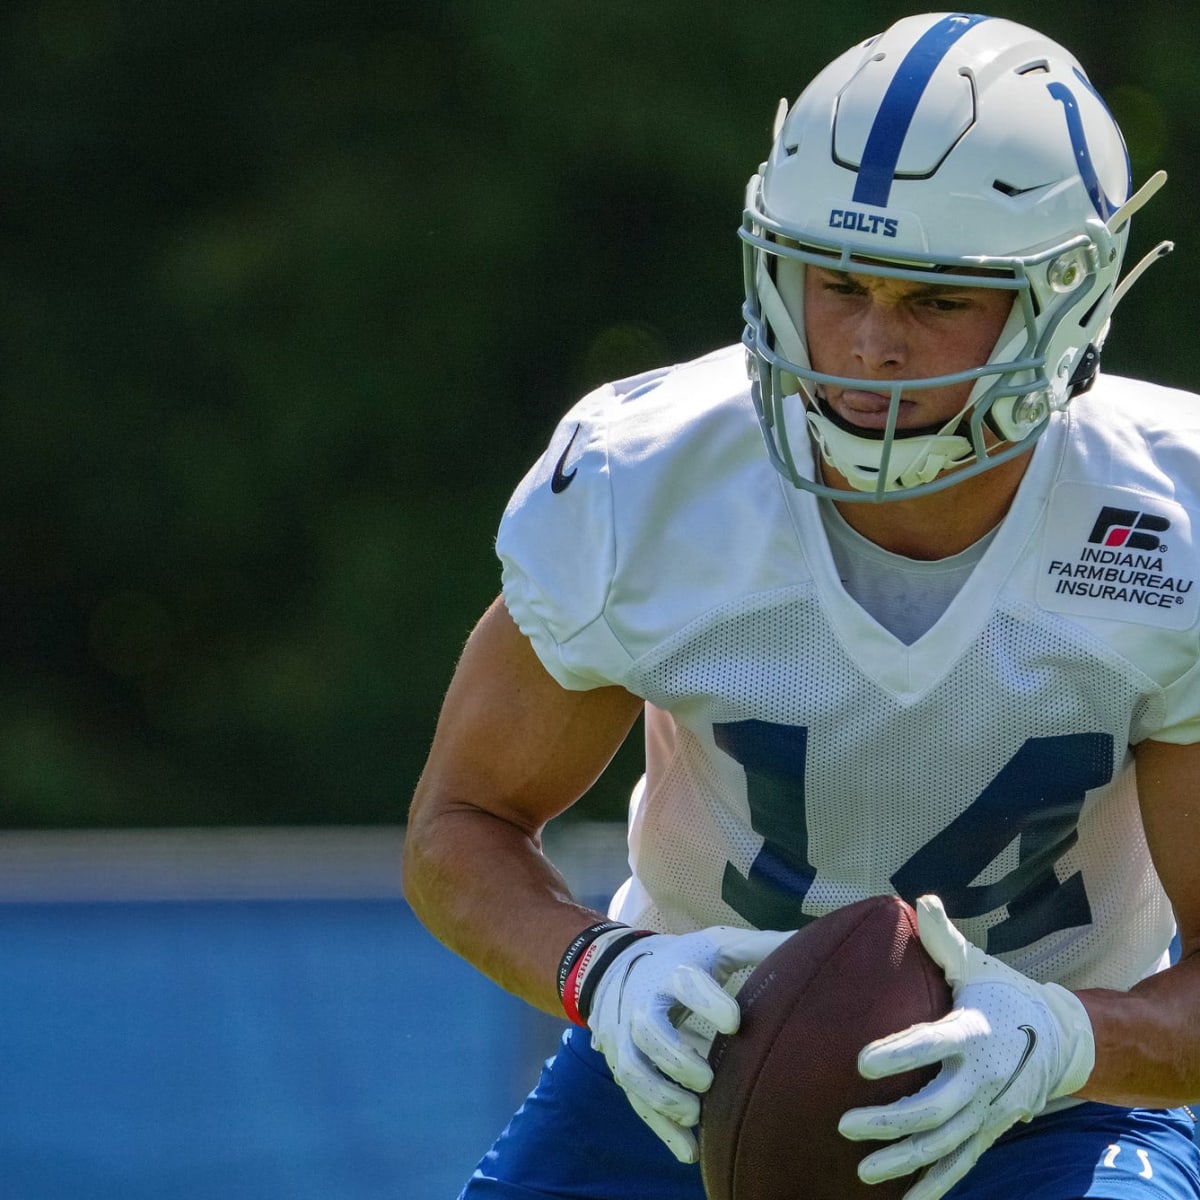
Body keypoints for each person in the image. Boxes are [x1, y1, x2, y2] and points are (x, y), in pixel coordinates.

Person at [403, 12, 1200, 1200]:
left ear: (1064, 299)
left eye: (935, 302)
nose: (870, 347)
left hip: (1044, 1099)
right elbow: (457, 827)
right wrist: (604, 971)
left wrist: (1063, 1038)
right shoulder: (649, 478)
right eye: (835, 282)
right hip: (691, 1065)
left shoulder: (1169, 516)